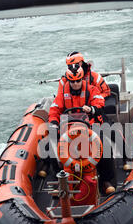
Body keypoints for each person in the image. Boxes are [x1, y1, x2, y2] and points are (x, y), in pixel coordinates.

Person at [48, 64, 115, 194]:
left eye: (78, 81)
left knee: (105, 147)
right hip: (68, 129)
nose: (76, 84)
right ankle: (58, 177)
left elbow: (99, 102)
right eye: (72, 81)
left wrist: (92, 109)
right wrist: (54, 123)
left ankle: (106, 180)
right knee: (51, 146)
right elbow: (55, 109)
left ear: (81, 79)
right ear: (69, 81)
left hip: (89, 126)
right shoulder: (62, 94)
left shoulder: (91, 90)